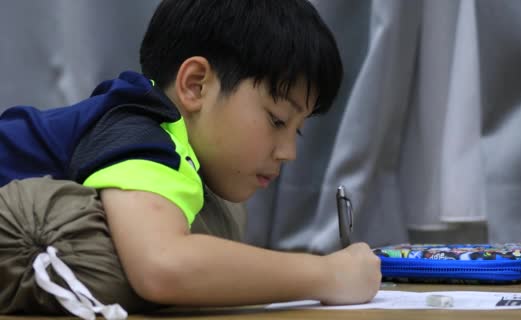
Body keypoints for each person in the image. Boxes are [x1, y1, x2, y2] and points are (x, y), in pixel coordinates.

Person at [0, 0, 380, 312]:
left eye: (296, 129)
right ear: (195, 85)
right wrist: (327, 275)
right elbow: (163, 265)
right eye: (276, 119)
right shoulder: (144, 133)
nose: (289, 152)